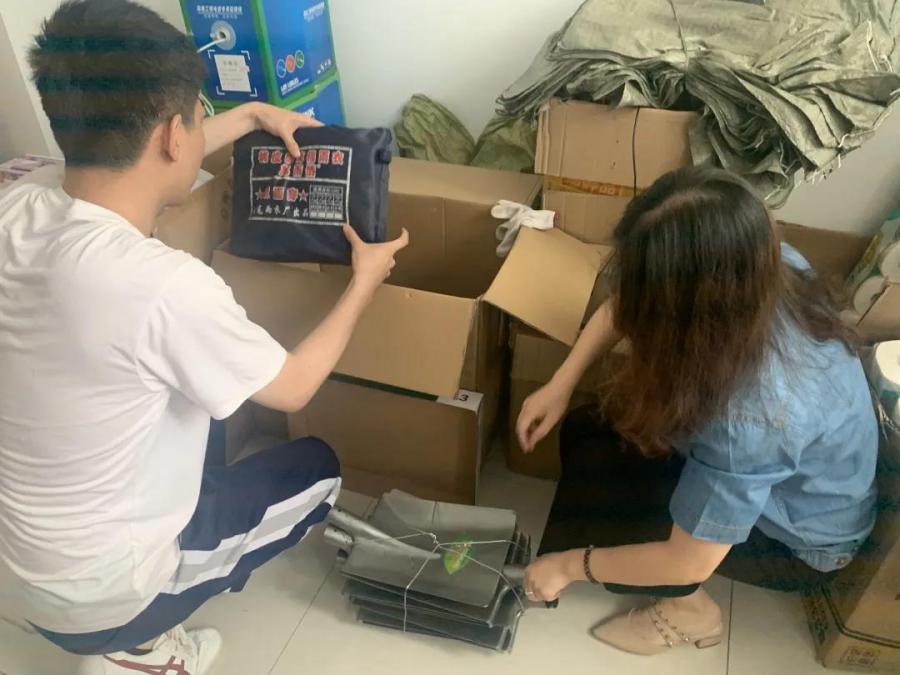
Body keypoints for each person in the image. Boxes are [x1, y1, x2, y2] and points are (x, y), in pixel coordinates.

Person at [0, 1, 408, 674]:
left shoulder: (19, 205)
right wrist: (364, 280)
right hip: (107, 596)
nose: (200, 129)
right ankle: (141, 650)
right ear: (171, 135)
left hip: (18, 570)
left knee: (203, 399)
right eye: (198, 116)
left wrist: (251, 116)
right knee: (317, 469)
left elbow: (139, 156)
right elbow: (295, 387)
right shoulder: (162, 286)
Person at [518, 167, 878, 655]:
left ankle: (692, 613)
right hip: (785, 473)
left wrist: (568, 567)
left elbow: (687, 562)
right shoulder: (756, 261)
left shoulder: (750, 417)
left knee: (608, 498)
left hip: (797, 543)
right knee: (586, 430)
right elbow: (629, 303)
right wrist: (560, 384)